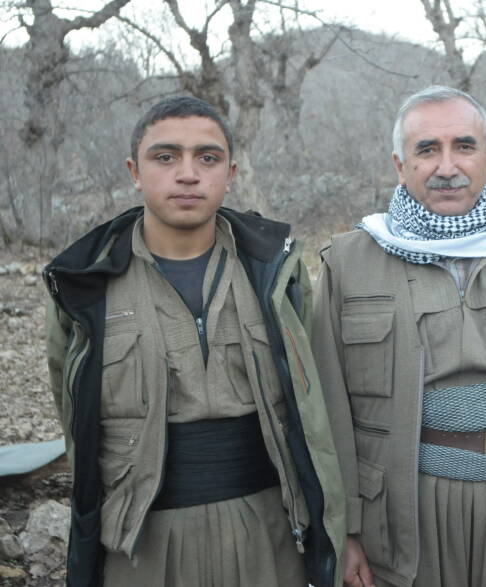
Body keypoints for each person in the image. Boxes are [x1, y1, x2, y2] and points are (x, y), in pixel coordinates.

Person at [44, 96, 345, 587]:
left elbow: (311, 411)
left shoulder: (275, 272)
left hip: (269, 536)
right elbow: (74, 416)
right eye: (165, 157)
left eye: (207, 157)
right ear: (134, 171)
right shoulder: (84, 286)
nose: (188, 174)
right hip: (140, 544)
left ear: (230, 173)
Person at [311, 85, 486, 587]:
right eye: (427, 150)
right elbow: (327, 409)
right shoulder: (350, 260)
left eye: (464, 146)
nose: (447, 167)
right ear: (400, 165)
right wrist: (345, 530)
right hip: (402, 518)